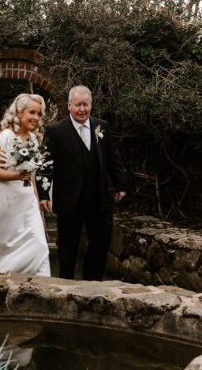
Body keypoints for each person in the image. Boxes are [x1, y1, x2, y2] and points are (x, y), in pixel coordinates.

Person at [38, 85, 129, 281]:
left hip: (99, 199)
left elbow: (112, 159)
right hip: (70, 200)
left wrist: (120, 185)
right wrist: (44, 195)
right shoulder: (55, 130)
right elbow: (45, 164)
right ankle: (66, 284)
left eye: (85, 105)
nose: (82, 109)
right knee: (68, 247)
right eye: (78, 105)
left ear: (91, 105)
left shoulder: (101, 126)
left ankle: (92, 283)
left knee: (101, 242)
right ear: (69, 105)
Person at [0, 94, 50, 276]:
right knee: (1, 247)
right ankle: (0, 279)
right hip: (6, 201)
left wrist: (38, 206)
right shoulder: (5, 136)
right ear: (19, 113)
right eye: (32, 112)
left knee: (39, 244)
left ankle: (39, 283)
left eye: (39, 114)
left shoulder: (33, 140)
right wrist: (18, 175)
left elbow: (32, 177)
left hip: (27, 201)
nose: (36, 117)